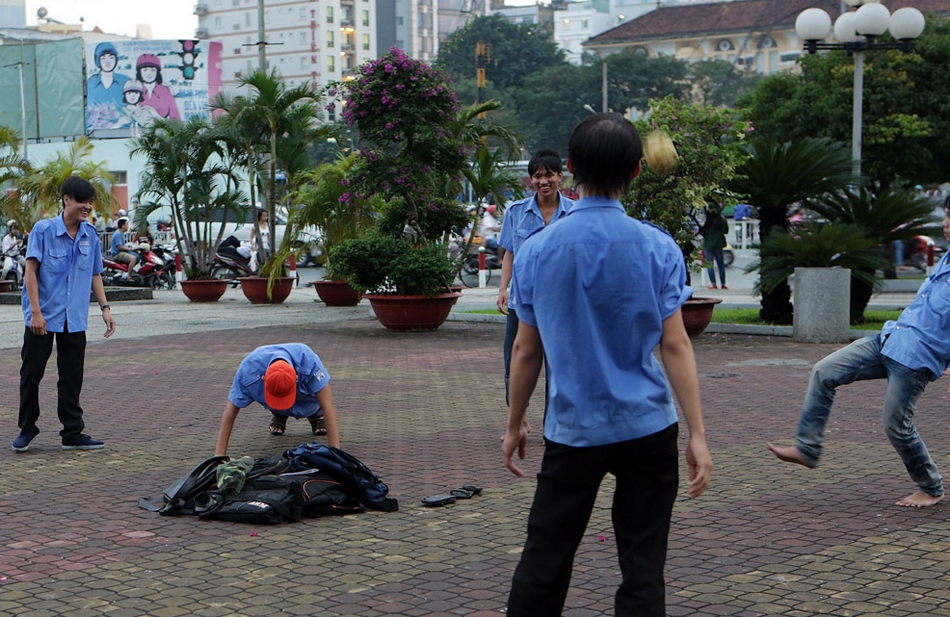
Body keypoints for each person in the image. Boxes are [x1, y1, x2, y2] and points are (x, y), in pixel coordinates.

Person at [501, 114, 712, 617]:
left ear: (569, 168)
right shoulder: (658, 247)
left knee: (545, 559)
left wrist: (514, 423)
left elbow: (526, 351)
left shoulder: (536, 251)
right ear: (637, 171)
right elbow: (676, 345)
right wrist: (698, 435)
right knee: (643, 566)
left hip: (573, 429)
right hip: (649, 427)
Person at [767, 199, 950, 509]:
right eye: (946, 216)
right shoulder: (946, 259)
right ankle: (808, 449)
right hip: (890, 339)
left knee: (896, 424)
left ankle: (931, 487)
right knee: (824, 371)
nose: (945, 224)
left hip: (916, 359)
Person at [12, 176, 117, 453]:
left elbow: (95, 273)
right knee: (32, 373)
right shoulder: (43, 230)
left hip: (75, 318)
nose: (87, 207)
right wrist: (35, 312)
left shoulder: (90, 234)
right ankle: (27, 428)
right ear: (67, 199)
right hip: (43, 316)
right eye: (82, 201)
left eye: (91, 202)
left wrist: (105, 309)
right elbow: (30, 272)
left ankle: (72, 432)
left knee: (72, 376)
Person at [496, 150, 573, 409]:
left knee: (558, 366)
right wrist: (503, 288)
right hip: (522, 302)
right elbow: (509, 253)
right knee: (515, 361)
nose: (543, 181)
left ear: (560, 177)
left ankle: (553, 425)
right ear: (531, 180)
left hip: (560, 303)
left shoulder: (574, 213)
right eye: (537, 176)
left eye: (549, 175)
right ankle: (518, 417)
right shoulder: (516, 212)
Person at [215, 343, 341, 457]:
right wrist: (219, 455)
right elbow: (230, 412)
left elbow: (328, 406)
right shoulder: (248, 371)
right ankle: (279, 415)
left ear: (296, 377)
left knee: (318, 402)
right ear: (264, 378)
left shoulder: (307, 360)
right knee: (269, 398)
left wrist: (335, 454)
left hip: (309, 402)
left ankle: (315, 417)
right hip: (272, 401)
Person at [86, 42, 130, 130]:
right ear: (98, 61)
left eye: (111, 57)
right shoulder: (92, 81)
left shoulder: (125, 80)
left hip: (125, 130)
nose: (107, 61)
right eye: (103, 58)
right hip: (96, 131)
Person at [136, 54, 181, 120]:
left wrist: (156, 115)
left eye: (153, 70)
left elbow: (176, 121)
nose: (149, 73)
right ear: (139, 72)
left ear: (157, 72)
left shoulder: (165, 91)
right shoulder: (133, 90)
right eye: (145, 70)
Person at [701, 205, 729, 290]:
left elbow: (702, 232)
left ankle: (713, 284)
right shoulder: (722, 219)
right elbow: (726, 231)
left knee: (710, 264)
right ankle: (723, 284)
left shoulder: (706, 220)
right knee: (721, 265)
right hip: (719, 244)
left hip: (708, 244)